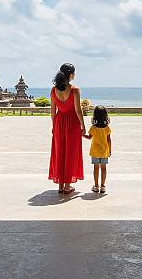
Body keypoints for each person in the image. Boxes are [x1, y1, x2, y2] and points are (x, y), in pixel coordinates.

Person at [48, 63, 85, 194]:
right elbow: (78, 111)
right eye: (74, 73)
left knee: (59, 152)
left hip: (59, 122)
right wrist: (83, 126)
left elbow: (52, 111)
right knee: (70, 153)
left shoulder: (53, 90)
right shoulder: (75, 90)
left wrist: (54, 126)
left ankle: (60, 185)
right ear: (70, 74)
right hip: (72, 123)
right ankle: (67, 186)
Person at [84, 105, 111, 194]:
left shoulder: (93, 128)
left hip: (95, 151)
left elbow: (89, 137)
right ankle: (102, 186)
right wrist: (110, 150)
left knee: (96, 168)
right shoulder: (107, 128)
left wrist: (81, 134)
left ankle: (96, 186)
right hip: (104, 151)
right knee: (103, 168)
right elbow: (109, 140)